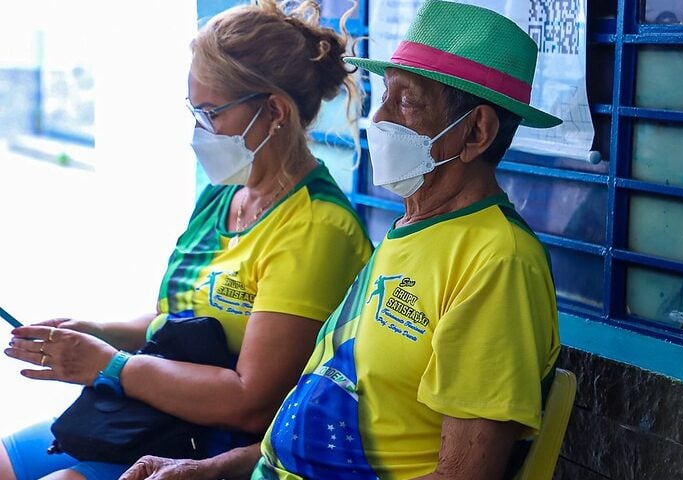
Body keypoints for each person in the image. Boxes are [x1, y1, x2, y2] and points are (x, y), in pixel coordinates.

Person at [120, 1, 562, 478]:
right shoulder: (410, 232)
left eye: (408, 102)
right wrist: (210, 469)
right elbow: (308, 429)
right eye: (384, 96)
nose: (381, 118)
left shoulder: (497, 261)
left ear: (476, 131)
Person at [1, 1, 373, 479]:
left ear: (275, 112)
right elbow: (173, 316)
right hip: (157, 416)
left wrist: (109, 366)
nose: (199, 131)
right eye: (193, 111)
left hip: (220, 447)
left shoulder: (317, 229)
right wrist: (96, 331)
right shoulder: (224, 197)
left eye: (211, 114)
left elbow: (251, 404)